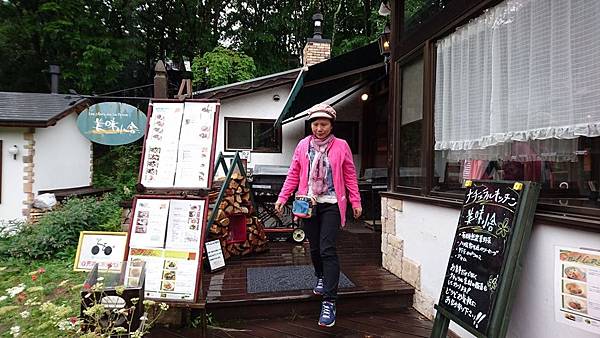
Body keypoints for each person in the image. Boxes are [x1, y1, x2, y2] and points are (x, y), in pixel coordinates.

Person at [275, 103, 362, 327]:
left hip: (332, 204)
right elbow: (294, 174)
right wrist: (283, 197)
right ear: (311, 125)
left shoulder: (342, 146)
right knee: (314, 247)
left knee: (327, 248)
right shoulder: (303, 145)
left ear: (331, 125)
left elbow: (350, 175)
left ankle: (330, 301)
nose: (319, 128)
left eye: (324, 124)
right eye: (315, 124)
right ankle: (320, 276)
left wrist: (356, 201)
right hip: (308, 204)